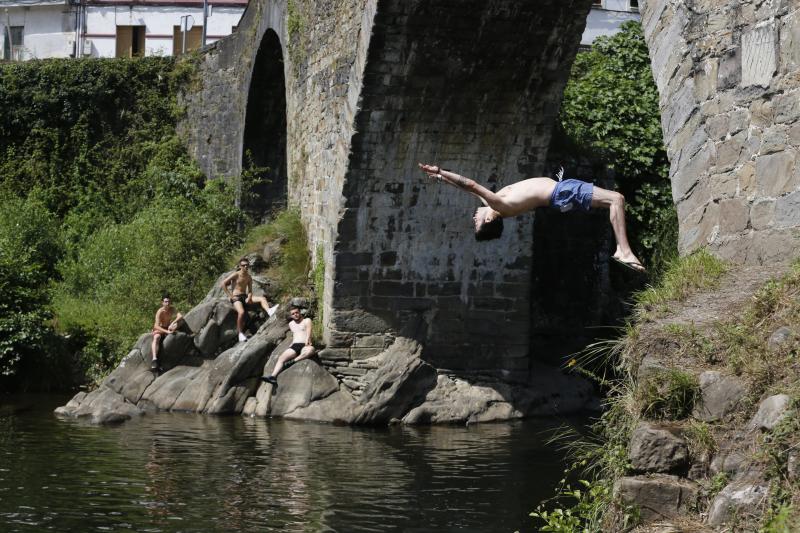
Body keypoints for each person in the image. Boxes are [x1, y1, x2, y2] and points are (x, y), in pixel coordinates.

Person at [418, 163, 645, 272]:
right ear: (489, 220)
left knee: (615, 200)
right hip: (562, 192)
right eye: (475, 222)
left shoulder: (494, 204)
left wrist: (439, 178)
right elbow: (471, 184)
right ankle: (623, 251)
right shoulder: (499, 204)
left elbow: (465, 190)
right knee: (616, 199)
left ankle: (623, 250)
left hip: (561, 193)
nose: (473, 217)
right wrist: (442, 171)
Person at [221, 258, 279, 342]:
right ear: (240, 266)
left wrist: (249, 297)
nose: (245, 266)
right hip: (236, 298)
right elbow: (223, 283)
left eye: (247, 265)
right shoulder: (236, 274)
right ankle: (240, 333)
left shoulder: (249, 277)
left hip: (244, 297)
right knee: (241, 312)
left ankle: (269, 311)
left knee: (262, 298)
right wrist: (230, 295)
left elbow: (250, 290)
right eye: (243, 265)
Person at [260, 306, 315, 386]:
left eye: (296, 312)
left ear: (299, 312)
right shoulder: (291, 324)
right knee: (281, 358)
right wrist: (290, 346)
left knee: (311, 350)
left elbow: (309, 331)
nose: (295, 314)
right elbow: (295, 335)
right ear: (291, 316)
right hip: (295, 345)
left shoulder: (307, 320)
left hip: (305, 344)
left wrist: (307, 340)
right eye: (293, 314)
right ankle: (273, 376)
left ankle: (293, 361)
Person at [151, 294, 183, 373]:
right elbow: (156, 326)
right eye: (165, 302)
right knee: (157, 337)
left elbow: (180, 316)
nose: (167, 303)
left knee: (181, 321)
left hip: (168, 327)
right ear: (162, 302)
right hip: (160, 329)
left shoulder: (172, 309)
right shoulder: (160, 311)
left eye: (168, 301)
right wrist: (167, 332)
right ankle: (154, 359)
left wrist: (173, 323)